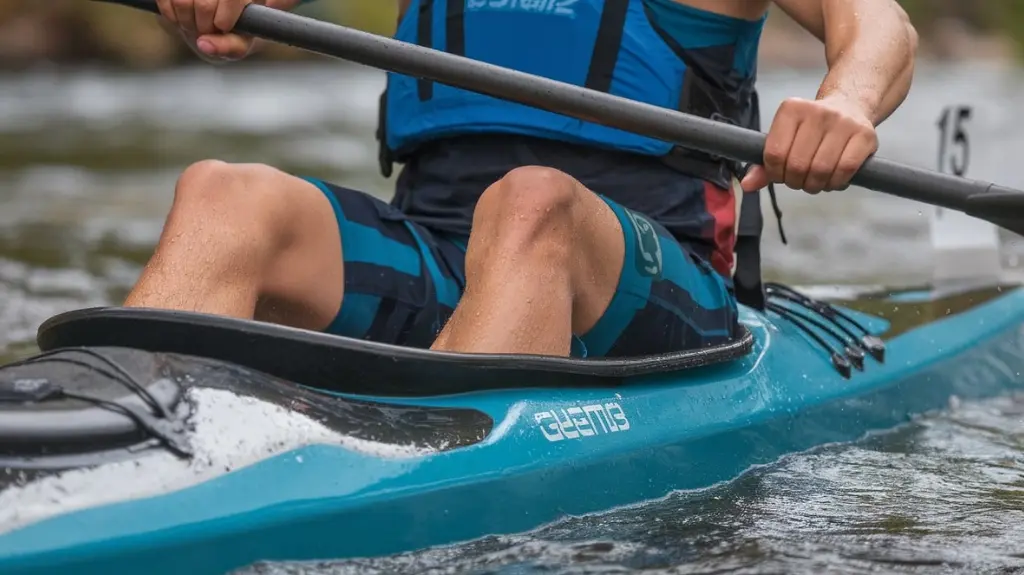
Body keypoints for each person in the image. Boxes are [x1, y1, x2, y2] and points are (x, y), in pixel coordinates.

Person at [131, 0, 917, 357]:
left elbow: (882, 26)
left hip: (649, 276)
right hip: (441, 254)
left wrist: (846, 101)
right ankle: (122, 438)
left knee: (529, 203)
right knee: (222, 194)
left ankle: (439, 470)